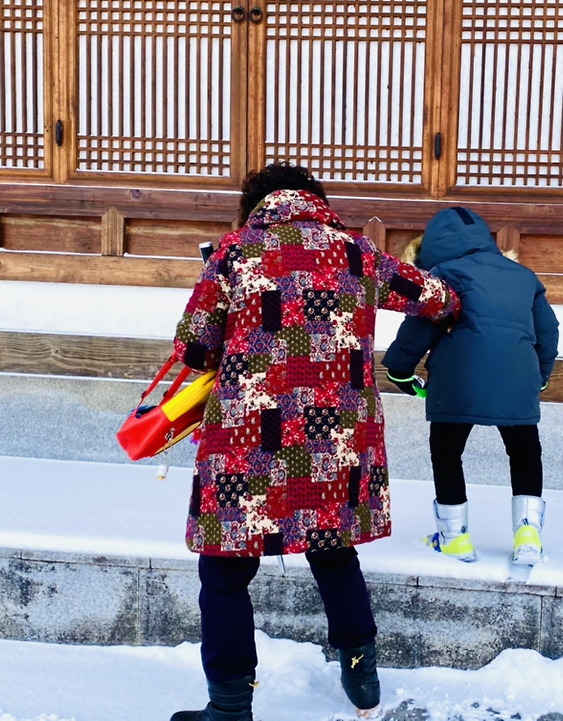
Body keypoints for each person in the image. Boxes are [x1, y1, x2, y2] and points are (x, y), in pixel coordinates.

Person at [170, 163, 459, 721]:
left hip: (247, 437)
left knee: (224, 569)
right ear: (315, 201)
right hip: (336, 437)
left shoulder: (234, 252)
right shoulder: (357, 253)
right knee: (334, 550)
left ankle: (228, 707)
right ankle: (363, 682)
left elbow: (195, 347)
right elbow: (438, 299)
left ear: (256, 205)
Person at [381, 207, 559, 567]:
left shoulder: (444, 275)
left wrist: (400, 371)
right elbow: (548, 330)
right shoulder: (524, 276)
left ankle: (455, 539)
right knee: (525, 452)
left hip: (456, 379)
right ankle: (528, 537)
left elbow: (420, 326)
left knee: (447, 452)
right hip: (519, 379)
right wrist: (539, 375)